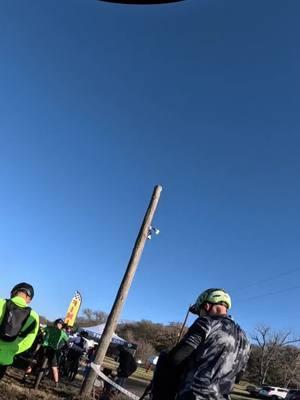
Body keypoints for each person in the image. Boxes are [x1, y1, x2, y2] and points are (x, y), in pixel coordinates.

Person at [151, 288, 250, 400]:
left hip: (193, 395)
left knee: (165, 356)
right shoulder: (245, 339)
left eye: (199, 311)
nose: (199, 315)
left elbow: (176, 357)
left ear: (207, 306)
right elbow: (238, 377)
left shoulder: (207, 322)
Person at [0, 282, 39, 380]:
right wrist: (11, 351)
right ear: (29, 299)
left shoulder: (1, 303)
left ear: (13, 292)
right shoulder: (34, 317)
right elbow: (28, 343)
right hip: (4, 359)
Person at [34, 318, 69, 386]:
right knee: (39, 362)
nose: (59, 325)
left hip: (49, 349)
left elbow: (67, 341)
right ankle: (56, 383)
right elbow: (67, 342)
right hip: (48, 348)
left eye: (60, 324)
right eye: (58, 324)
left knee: (53, 367)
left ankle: (56, 383)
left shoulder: (58, 331)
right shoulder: (59, 332)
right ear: (56, 324)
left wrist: (42, 335)